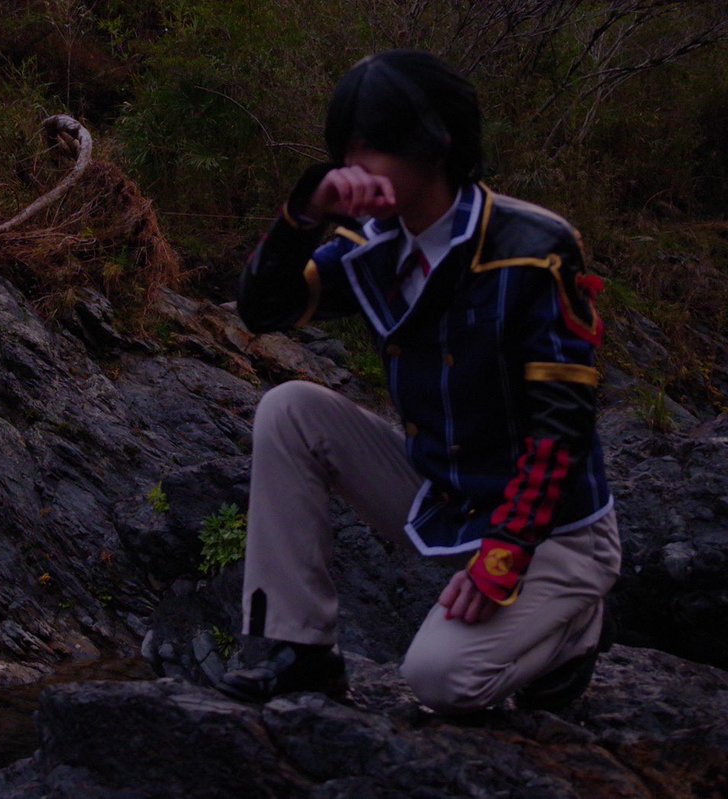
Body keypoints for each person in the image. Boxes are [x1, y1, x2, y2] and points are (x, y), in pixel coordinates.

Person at [216, 50, 620, 713]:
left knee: (440, 679)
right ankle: (298, 649)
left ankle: (575, 629)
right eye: (347, 148)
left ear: (438, 143)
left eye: (373, 145)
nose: (356, 165)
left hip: (554, 530)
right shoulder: (373, 245)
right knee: (289, 409)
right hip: (447, 496)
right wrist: (305, 212)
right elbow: (262, 310)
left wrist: (504, 556)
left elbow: (564, 426)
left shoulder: (532, 246)